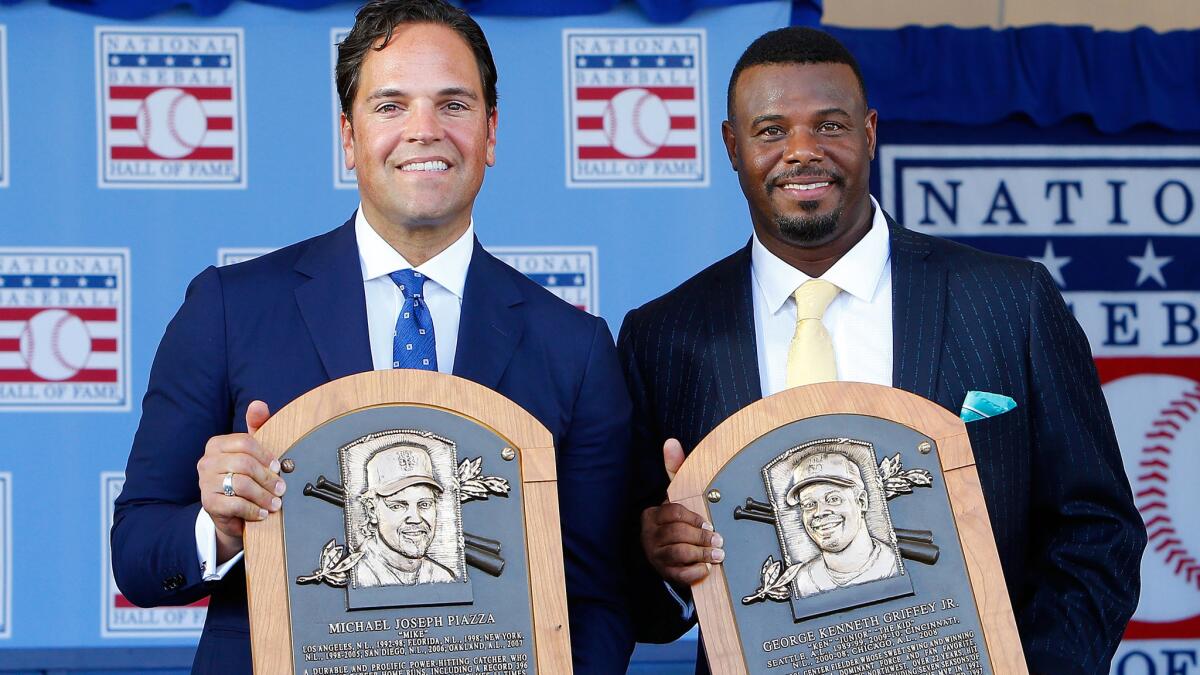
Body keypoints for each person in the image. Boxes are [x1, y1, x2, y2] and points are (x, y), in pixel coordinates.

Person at [110, 1, 634, 672]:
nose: (424, 131)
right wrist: (218, 526)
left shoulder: (576, 346)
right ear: (349, 137)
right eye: (390, 106)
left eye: (454, 104)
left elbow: (597, 599)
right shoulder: (228, 308)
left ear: (490, 132)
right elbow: (138, 558)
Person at [619, 26, 1145, 674]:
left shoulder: (1013, 303)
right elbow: (640, 593)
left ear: (869, 131)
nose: (802, 152)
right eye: (771, 130)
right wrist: (661, 561)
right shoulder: (665, 336)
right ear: (732, 145)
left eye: (829, 125)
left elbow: (1098, 531)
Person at [785, 450, 898, 597]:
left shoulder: (894, 565)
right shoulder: (802, 583)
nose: (819, 512)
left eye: (833, 499)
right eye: (809, 504)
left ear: (862, 502)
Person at [354, 445, 456, 587]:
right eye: (398, 506)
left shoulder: (442, 577)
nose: (415, 518)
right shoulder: (357, 575)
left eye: (424, 504)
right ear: (372, 511)